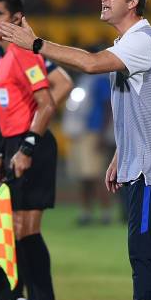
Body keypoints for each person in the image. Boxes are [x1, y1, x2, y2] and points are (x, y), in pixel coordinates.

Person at [0, 0, 151, 300]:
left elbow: (92, 63)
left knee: (146, 251)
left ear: (133, 2)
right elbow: (142, 106)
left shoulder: (143, 40)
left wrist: (35, 43)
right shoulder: (130, 42)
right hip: (141, 160)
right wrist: (120, 154)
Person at [0, 0, 72, 300]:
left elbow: (50, 99)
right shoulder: (2, 55)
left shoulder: (25, 55)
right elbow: (7, 112)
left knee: (26, 229)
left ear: (16, 18)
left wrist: (27, 144)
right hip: (9, 143)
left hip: (28, 144)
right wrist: (3, 151)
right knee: (15, 228)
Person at [62, 73, 113, 225]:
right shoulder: (84, 79)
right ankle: (86, 212)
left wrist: (103, 135)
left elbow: (108, 107)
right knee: (82, 177)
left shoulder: (101, 80)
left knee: (96, 175)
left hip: (93, 132)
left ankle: (106, 213)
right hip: (78, 133)